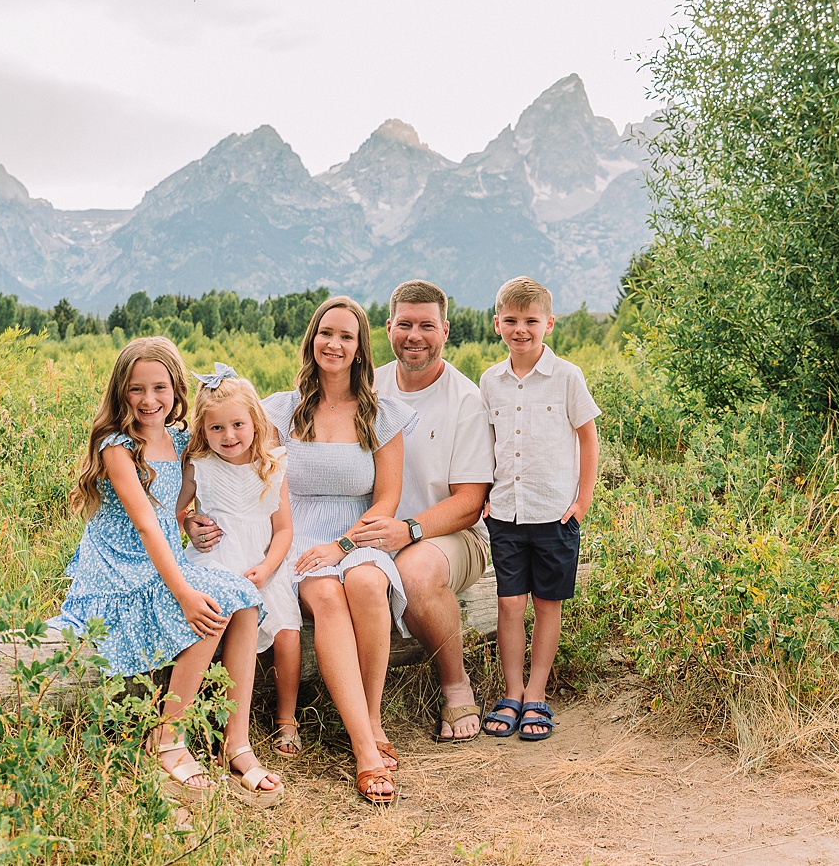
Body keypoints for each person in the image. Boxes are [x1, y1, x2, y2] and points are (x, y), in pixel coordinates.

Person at [52, 337, 283, 807]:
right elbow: (143, 523)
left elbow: (173, 508)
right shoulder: (117, 447)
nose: (149, 400)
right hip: (118, 571)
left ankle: (236, 742)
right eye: (136, 389)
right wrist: (184, 594)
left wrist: (190, 521)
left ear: (177, 389)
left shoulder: (179, 441)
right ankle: (169, 737)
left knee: (241, 598)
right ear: (121, 391)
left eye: (160, 388)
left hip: (159, 562)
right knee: (211, 605)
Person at [256, 296, 415, 805]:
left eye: (347, 336)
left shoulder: (381, 414)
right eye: (327, 333)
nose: (335, 343)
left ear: (360, 348)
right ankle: (366, 751)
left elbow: (387, 499)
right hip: (296, 532)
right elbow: (259, 480)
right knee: (326, 595)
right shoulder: (280, 410)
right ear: (312, 339)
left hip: (357, 533)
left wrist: (342, 545)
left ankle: (370, 717)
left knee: (366, 582)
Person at [354, 279, 494, 742]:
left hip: (450, 535)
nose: (415, 336)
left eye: (427, 326)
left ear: (445, 331)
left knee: (413, 573)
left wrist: (409, 530)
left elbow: (470, 503)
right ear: (388, 327)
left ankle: (455, 685)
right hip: (375, 531)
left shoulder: (465, 401)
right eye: (406, 324)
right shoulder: (367, 387)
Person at [478, 277, 600, 742]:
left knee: (548, 604)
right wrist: (485, 492)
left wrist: (582, 501)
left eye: (531, 320)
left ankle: (536, 693)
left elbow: (588, 438)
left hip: (555, 513)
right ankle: (511, 692)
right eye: (511, 320)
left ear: (548, 323)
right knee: (509, 603)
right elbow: (487, 442)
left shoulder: (567, 376)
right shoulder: (490, 381)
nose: (521, 329)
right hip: (506, 512)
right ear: (497, 324)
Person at [174, 364, 303, 757]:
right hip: (216, 562)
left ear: (254, 423)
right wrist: (189, 523)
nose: (228, 436)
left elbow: (284, 530)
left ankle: (287, 719)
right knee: (218, 620)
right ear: (203, 430)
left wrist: (267, 568)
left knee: (287, 633)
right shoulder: (199, 465)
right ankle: (209, 716)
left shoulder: (271, 464)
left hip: (264, 565)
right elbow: (177, 514)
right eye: (216, 428)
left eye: (237, 425)